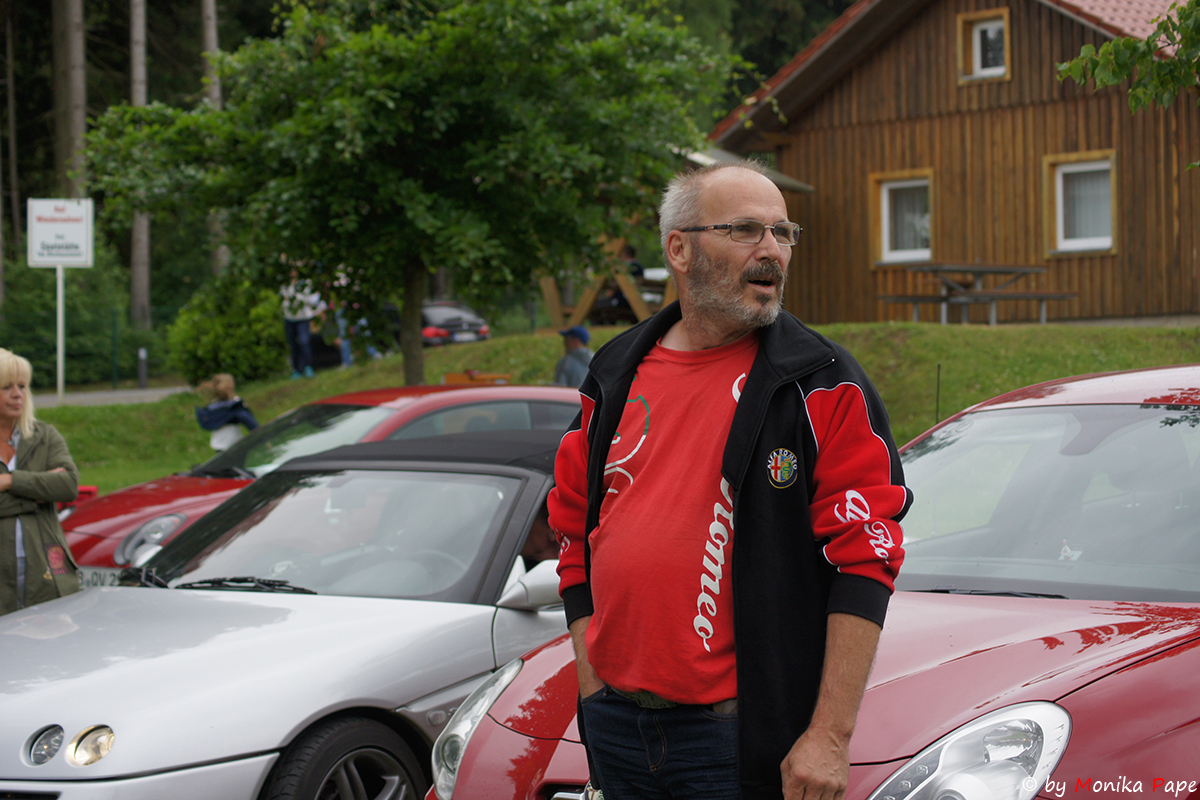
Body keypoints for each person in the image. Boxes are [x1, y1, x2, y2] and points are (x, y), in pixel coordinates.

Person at [548, 163, 911, 800]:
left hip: (737, 738)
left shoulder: (822, 381)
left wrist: (829, 735)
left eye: (782, 232)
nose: (771, 250)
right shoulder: (613, 373)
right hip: (613, 724)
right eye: (745, 230)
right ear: (679, 249)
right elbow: (573, 530)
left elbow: (867, 559)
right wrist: (590, 679)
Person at [0, 349, 82, 616]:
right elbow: (54, 487)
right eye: (6, 387)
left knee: (50, 648)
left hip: (47, 575)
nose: (17, 394)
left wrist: (10, 480)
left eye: (22, 386)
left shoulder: (45, 436)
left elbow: (68, 486)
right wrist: (38, 496)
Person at [280, 268, 327, 379]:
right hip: (289, 318)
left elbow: (313, 300)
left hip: (303, 318)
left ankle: (308, 366)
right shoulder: (285, 285)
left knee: (304, 342)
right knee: (293, 344)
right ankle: (297, 369)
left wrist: (299, 298)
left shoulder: (306, 283)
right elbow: (283, 300)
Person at [195, 373, 259, 451]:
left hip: (218, 444)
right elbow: (248, 420)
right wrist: (261, 435)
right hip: (234, 442)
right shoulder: (235, 405)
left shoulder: (212, 407)